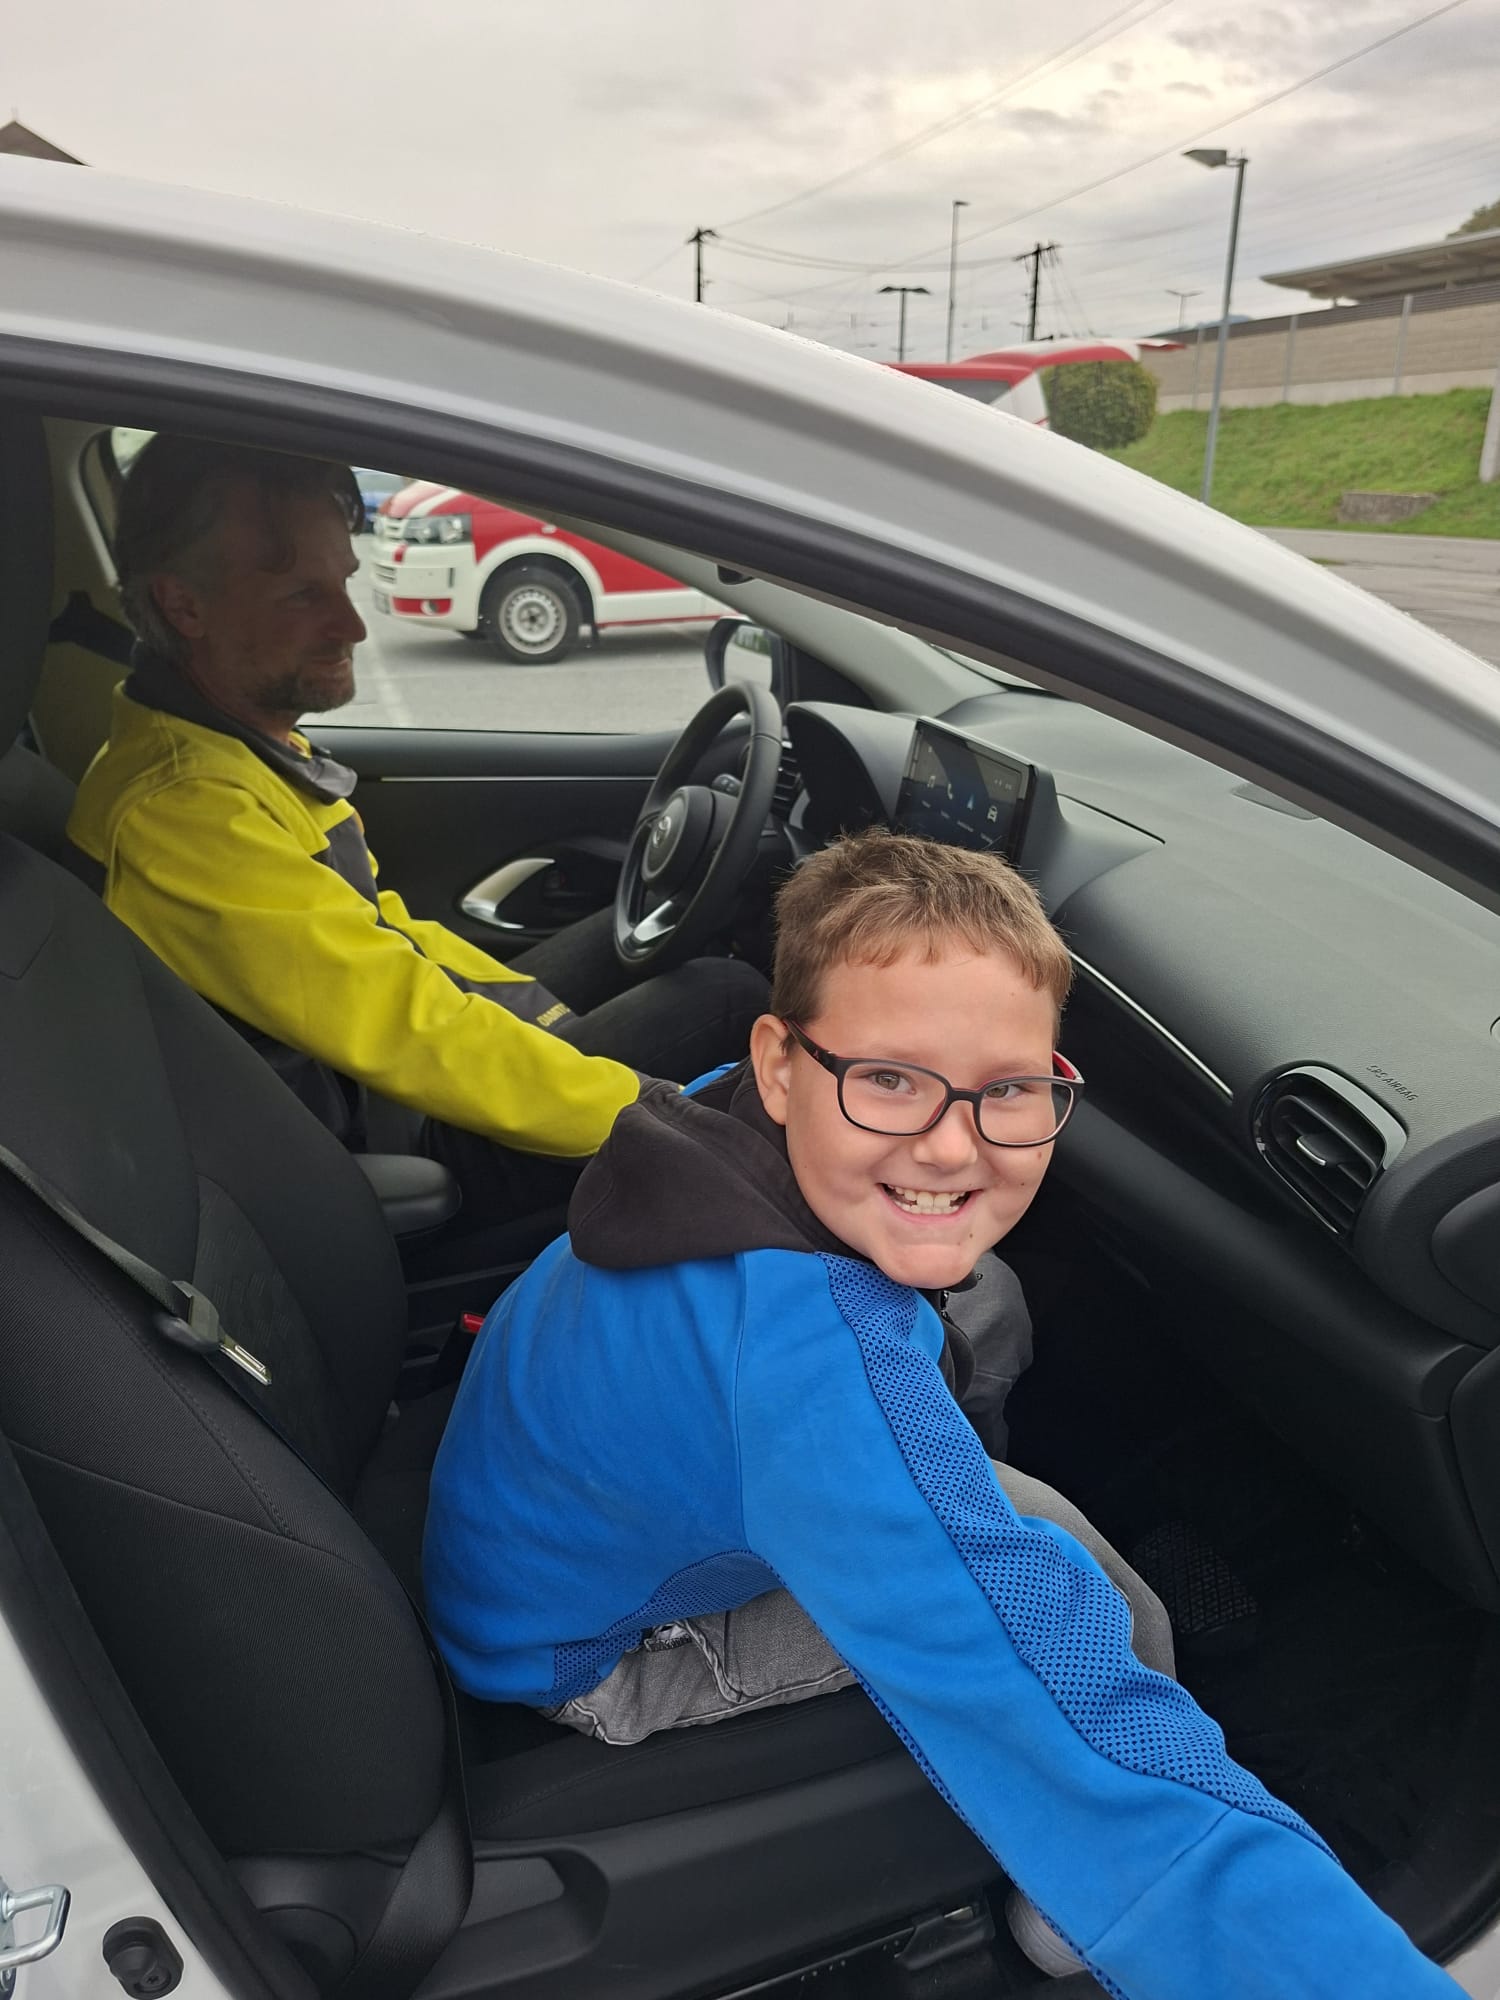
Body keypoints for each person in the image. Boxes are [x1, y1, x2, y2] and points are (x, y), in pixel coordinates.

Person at [423, 830, 1458, 1996]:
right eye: (891, 1078)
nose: (954, 1143)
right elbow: (1078, 1740)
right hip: (584, 1654)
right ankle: (1060, 1926)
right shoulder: (807, 1373)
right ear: (780, 1065)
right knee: (1098, 1603)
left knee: (989, 1304)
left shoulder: (712, 1130)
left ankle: (945, 1495)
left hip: (526, 1534)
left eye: (1009, 1088)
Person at [66, 437, 768, 1228]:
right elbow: (402, 1028)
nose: (351, 626)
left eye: (343, 583)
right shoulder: (186, 813)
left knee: (633, 938)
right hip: (379, 1138)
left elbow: (380, 936)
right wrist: (658, 1120)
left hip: (378, 1081)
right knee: (726, 996)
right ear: (183, 606)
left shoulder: (228, 747)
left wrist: (540, 1021)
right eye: (301, 596)